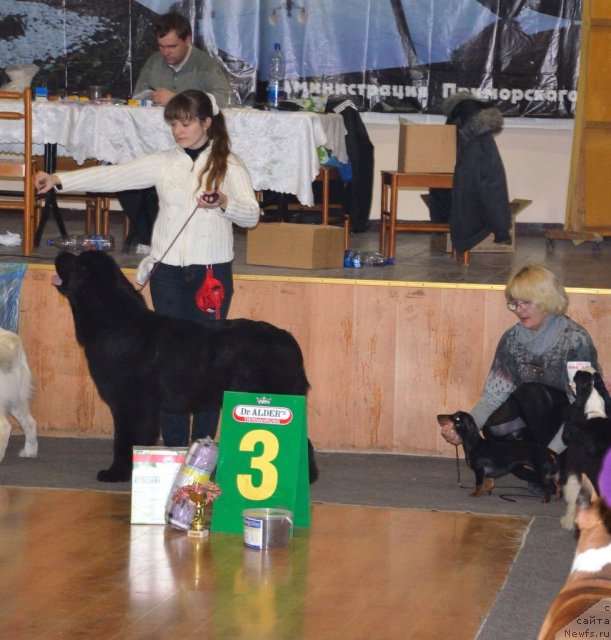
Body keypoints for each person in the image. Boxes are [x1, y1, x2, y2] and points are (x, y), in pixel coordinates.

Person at [36, 90, 261, 446]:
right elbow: (117, 177)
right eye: (174, 123)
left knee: (207, 364)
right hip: (167, 275)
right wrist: (61, 180)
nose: (178, 130)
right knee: (168, 365)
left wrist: (223, 202)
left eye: (186, 123)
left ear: (206, 123)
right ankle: (172, 450)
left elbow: (252, 214)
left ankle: (203, 452)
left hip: (211, 276)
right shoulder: (165, 161)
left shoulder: (230, 165)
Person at [440, 264, 603, 453]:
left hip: (573, 430)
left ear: (546, 301)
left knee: (531, 393)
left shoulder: (575, 340)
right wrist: (465, 430)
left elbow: (583, 406)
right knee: (494, 427)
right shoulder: (511, 339)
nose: (519, 310)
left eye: (526, 302)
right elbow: (493, 397)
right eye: (514, 303)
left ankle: (554, 466)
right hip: (539, 430)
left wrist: (549, 455)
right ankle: (537, 474)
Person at [124, 12, 235, 250]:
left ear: (188, 40)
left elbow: (225, 100)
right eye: (162, 46)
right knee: (121, 169)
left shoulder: (204, 65)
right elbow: (137, 96)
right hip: (150, 140)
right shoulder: (154, 62)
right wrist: (149, 98)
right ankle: (146, 235)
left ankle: (169, 236)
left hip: (190, 146)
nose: (166, 53)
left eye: (172, 46)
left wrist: (177, 100)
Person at [427, 92, 512, 254]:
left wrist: (439, 221)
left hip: (455, 206)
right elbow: (495, 185)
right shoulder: (483, 140)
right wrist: (501, 230)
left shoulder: (453, 124)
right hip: (472, 209)